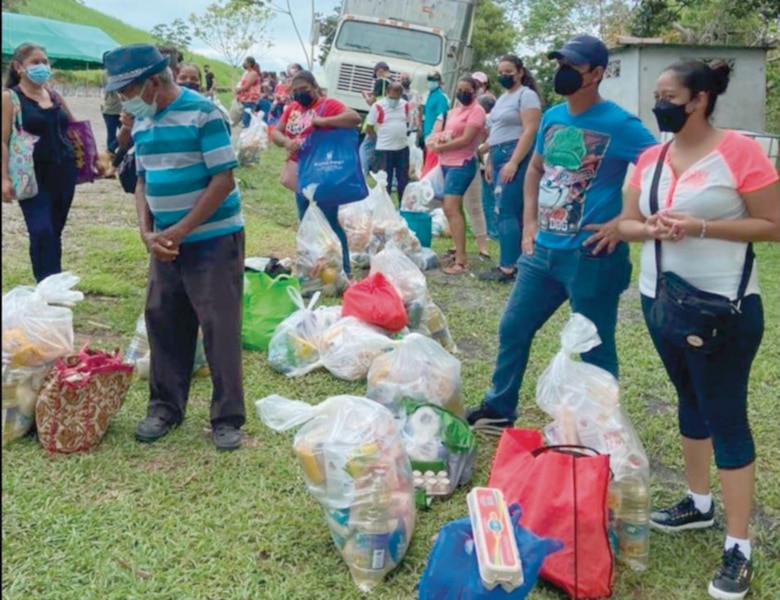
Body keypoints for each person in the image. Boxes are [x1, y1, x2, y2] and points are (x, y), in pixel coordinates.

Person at [619, 60, 779, 600]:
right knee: (688, 398)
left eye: (669, 95)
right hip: (660, 300)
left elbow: (774, 224)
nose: (659, 103)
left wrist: (702, 226)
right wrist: (649, 227)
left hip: (722, 308)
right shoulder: (650, 157)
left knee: (725, 415)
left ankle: (739, 546)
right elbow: (626, 222)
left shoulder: (739, 152)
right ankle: (698, 503)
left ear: (700, 99)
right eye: (657, 94)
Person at [466, 35, 656, 433]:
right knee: (514, 327)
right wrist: (530, 222)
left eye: (573, 66)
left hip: (590, 256)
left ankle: (600, 429)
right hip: (542, 252)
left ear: (597, 73)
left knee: (595, 346)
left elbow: (660, 170)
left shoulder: (620, 124)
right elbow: (536, 168)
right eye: (560, 64)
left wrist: (624, 222)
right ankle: (499, 407)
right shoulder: (553, 116)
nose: (562, 72)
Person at [104, 43, 246, 450]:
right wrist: (146, 232)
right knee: (163, 321)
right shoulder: (143, 122)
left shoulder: (204, 113)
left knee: (219, 326)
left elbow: (223, 180)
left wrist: (180, 230)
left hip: (213, 239)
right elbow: (142, 181)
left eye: (127, 90)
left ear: (152, 82)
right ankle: (165, 408)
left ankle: (226, 418)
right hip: (165, 242)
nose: (123, 100)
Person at [272, 70, 362, 278]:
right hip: (300, 172)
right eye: (295, 91)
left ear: (314, 87)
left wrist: (323, 121)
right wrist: (286, 142)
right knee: (306, 220)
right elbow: (276, 131)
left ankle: (344, 270)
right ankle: (311, 268)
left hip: (322, 172)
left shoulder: (327, 105)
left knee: (329, 219)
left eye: (304, 89)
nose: (300, 94)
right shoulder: (293, 108)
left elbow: (354, 118)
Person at [1, 43, 77, 283]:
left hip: (64, 171)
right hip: (30, 175)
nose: (42, 66)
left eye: (45, 62)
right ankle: (46, 284)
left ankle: (54, 284)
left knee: (55, 230)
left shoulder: (54, 96)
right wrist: (3, 178)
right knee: (40, 230)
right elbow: (2, 140)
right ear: (18, 67)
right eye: (35, 62)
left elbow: (75, 128)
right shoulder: (10, 98)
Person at [478, 55, 543, 284]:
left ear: (520, 72)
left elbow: (530, 130)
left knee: (506, 210)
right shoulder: (504, 98)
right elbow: (497, 130)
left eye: (509, 72)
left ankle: (508, 266)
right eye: (501, 72)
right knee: (507, 210)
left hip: (515, 154)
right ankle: (516, 262)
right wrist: (489, 161)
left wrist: (514, 162)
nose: (504, 76)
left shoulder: (527, 95)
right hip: (498, 155)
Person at [427, 75, 486, 275]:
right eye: (459, 90)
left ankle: (461, 261)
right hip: (445, 163)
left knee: (451, 208)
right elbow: (438, 134)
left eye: (466, 90)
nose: (462, 93)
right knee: (452, 209)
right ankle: (458, 252)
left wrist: (441, 147)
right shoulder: (453, 112)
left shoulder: (477, 111)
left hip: (462, 163)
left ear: (475, 91)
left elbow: (467, 139)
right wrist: (437, 142)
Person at [366, 82, 410, 203]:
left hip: (402, 148)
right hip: (384, 149)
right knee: (385, 181)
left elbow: (408, 122)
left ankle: (403, 205)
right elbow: (369, 128)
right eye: (392, 97)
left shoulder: (405, 105)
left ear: (401, 95)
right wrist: (379, 140)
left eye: (397, 98)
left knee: (403, 180)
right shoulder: (378, 106)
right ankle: (384, 206)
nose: (394, 100)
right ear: (387, 93)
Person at [359, 61, 392, 177]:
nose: (376, 76)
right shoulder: (392, 83)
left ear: (380, 71)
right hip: (388, 121)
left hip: (377, 122)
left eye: (376, 73)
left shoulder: (380, 82)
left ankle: (361, 173)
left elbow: (371, 102)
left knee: (365, 148)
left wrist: (365, 95)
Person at [421, 70, 449, 152]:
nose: (430, 82)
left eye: (433, 80)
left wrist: (434, 136)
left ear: (438, 82)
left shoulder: (441, 98)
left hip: (434, 136)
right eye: (429, 80)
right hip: (426, 133)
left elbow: (442, 118)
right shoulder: (429, 96)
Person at [236, 56, 262, 128]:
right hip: (245, 99)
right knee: (244, 120)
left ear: (249, 63)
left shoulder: (253, 74)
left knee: (246, 122)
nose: (244, 63)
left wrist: (238, 90)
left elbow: (246, 86)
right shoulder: (247, 73)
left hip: (250, 99)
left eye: (245, 62)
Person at [100, 69, 122, 153]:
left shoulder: (122, 71)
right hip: (110, 109)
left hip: (121, 109)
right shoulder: (106, 74)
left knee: (129, 134)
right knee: (111, 135)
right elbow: (113, 87)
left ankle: (113, 152)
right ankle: (110, 154)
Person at [399, 72, 421, 138]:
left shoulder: (416, 93)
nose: (405, 81)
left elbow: (419, 110)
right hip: (401, 126)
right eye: (403, 79)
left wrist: (419, 127)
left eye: (407, 79)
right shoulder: (397, 94)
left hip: (413, 128)